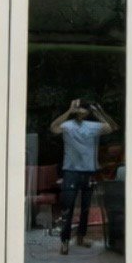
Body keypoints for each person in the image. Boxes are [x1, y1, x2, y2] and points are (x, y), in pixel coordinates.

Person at [50, 96, 115, 253]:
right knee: (68, 207)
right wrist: (69, 110)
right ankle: (64, 241)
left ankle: (81, 237)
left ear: (87, 112)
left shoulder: (93, 126)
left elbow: (111, 127)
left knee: (85, 207)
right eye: (78, 108)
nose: (80, 111)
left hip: (88, 171)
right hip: (71, 171)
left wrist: (97, 111)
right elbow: (53, 127)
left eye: (83, 108)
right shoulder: (67, 125)